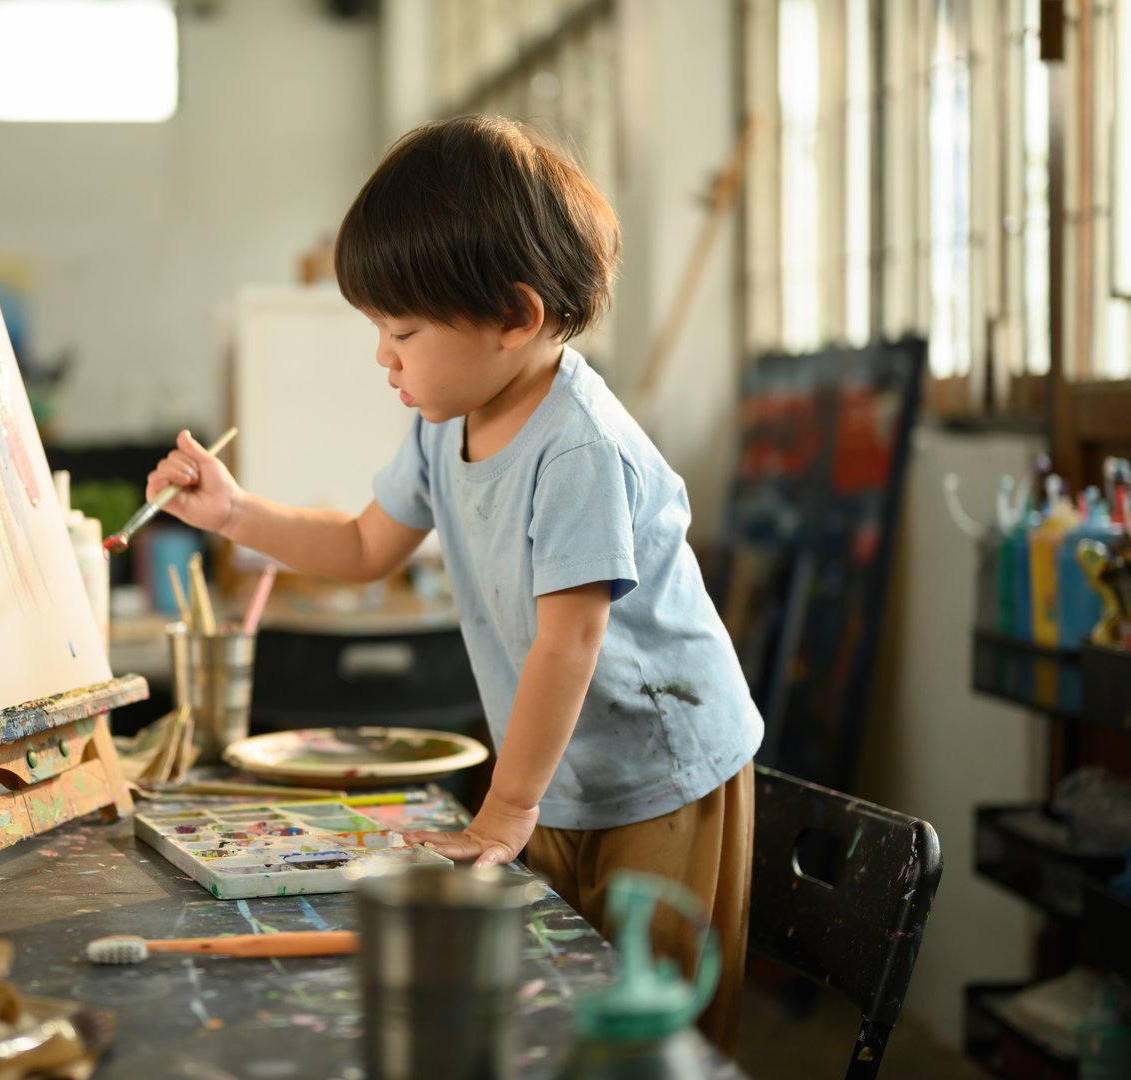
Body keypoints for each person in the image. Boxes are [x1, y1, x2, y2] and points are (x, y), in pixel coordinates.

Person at [146, 115, 762, 1052]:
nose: (382, 357)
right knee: (548, 1005)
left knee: (644, 1019)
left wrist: (506, 811)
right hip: (553, 770)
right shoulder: (449, 421)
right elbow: (362, 545)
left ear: (516, 317)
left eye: (402, 330)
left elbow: (571, 641)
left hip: (662, 772)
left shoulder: (577, 450)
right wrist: (236, 515)